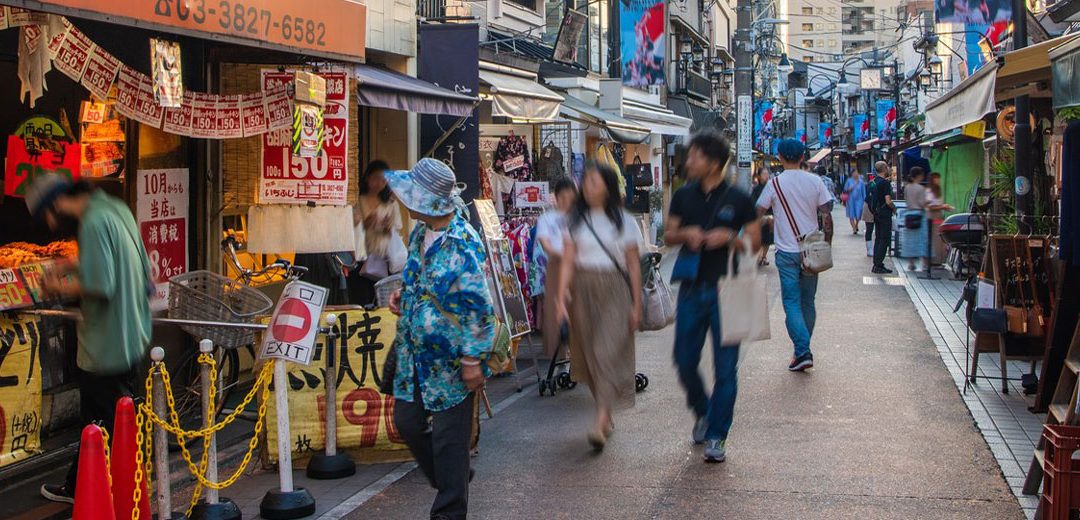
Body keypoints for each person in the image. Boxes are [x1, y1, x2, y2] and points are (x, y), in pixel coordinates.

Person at [25, 174, 152, 504]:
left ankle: (103, 495)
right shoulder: (116, 209)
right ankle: (80, 486)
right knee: (113, 422)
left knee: (99, 423)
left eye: (48, 216)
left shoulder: (93, 222)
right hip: (132, 335)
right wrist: (68, 263)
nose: (52, 225)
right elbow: (126, 263)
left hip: (105, 344)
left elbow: (101, 284)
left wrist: (56, 287)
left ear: (56, 204)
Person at [385, 159, 496, 520]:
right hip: (415, 354)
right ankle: (454, 477)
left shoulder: (464, 242)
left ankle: (449, 501)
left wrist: (471, 359)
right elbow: (415, 279)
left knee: (450, 443)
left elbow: (479, 305)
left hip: (451, 362)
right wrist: (403, 297)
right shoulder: (420, 233)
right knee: (406, 421)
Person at [665, 130, 761, 463]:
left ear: (714, 162)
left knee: (726, 368)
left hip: (729, 288)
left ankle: (718, 435)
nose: (688, 161)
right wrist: (685, 234)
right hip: (692, 287)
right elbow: (669, 232)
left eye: (694, 156)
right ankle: (703, 410)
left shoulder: (739, 198)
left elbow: (755, 242)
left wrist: (730, 238)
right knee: (684, 359)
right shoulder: (683, 196)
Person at [555, 162, 643, 451]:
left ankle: (601, 420)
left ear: (607, 186)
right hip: (582, 290)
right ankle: (604, 408)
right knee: (588, 357)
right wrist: (560, 298)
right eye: (586, 181)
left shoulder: (625, 221)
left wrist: (637, 303)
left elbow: (633, 265)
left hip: (615, 289)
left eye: (594, 181)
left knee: (604, 352)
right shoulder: (574, 221)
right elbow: (567, 260)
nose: (588, 186)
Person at [755, 139, 833, 372]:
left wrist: (770, 219)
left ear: (779, 157)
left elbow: (757, 211)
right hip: (811, 251)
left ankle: (802, 351)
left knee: (791, 302)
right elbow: (827, 215)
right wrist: (827, 243)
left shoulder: (774, 184)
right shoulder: (815, 181)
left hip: (787, 251)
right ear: (802, 158)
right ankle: (802, 350)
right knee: (808, 301)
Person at [350, 160, 406, 306]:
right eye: (375, 178)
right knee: (361, 297)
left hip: (384, 258)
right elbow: (350, 225)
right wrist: (365, 223)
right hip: (361, 257)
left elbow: (396, 227)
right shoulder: (358, 200)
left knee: (382, 299)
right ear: (368, 177)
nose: (379, 183)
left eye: (383, 179)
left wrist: (387, 226)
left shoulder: (390, 203)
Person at [537, 177, 577, 358]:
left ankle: (578, 351)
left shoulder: (579, 217)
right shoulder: (546, 218)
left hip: (578, 264)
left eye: (570, 197)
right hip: (556, 264)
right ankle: (557, 351)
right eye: (563, 197)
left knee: (577, 305)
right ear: (557, 197)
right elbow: (545, 243)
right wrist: (562, 254)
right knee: (555, 307)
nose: (566, 201)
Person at [867, 161, 897, 273]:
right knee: (884, 239)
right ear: (884, 168)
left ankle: (876, 263)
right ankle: (878, 265)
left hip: (876, 213)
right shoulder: (885, 183)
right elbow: (888, 201)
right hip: (884, 214)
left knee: (878, 238)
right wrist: (894, 208)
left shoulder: (872, 182)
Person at [901, 168, 929, 272]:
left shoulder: (907, 187)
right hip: (919, 215)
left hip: (909, 214)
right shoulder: (921, 188)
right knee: (922, 240)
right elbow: (922, 203)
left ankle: (911, 263)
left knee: (910, 240)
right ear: (919, 176)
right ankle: (925, 264)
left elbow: (906, 200)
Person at [927, 172, 954, 265]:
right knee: (935, 239)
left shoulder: (938, 191)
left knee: (940, 239)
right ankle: (934, 260)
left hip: (939, 218)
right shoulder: (929, 192)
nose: (938, 180)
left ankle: (939, 260)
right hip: (933, 218)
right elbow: (929, 206)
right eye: (936, 178)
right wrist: (943, 207)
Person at [750, 167, 774, 266]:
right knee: (760, 238)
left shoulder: (772, 188)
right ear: (759, 176)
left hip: (771, 217)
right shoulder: (756, 189)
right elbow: (753, 203)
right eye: (764, 174)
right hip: (760, 217)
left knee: (768, 239)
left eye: (767, 173)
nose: (766, 176)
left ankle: (763, 256)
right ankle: (759, 257)